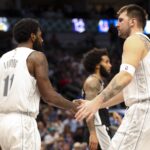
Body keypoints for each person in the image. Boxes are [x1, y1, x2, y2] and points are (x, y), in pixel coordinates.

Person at [75, 4, 150, 150]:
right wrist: (99, 105)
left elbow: (124, 77)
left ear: (133, 22)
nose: (117, 24)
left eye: (121, 20)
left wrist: (96, 101)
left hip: (142, 110)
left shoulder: (133, 40)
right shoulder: (146, 44)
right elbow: (128, 92)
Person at [0, 18, 78, 150]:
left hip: (2, 123)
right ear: (32, 36)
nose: (42, 40)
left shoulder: (3, 58)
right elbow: (48, 96)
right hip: (21, 122)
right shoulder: (36, 56)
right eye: (40, 36)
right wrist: (73, 106)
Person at [82, 48, 121, 150]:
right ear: (97, 65)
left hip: (102, 127)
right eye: (106, 62)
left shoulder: (99, 81)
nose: (110, 65)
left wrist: (110, 113)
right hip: (97, 129)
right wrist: (93, 133)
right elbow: (89, 110)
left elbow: (96, 107)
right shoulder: (92, 82)